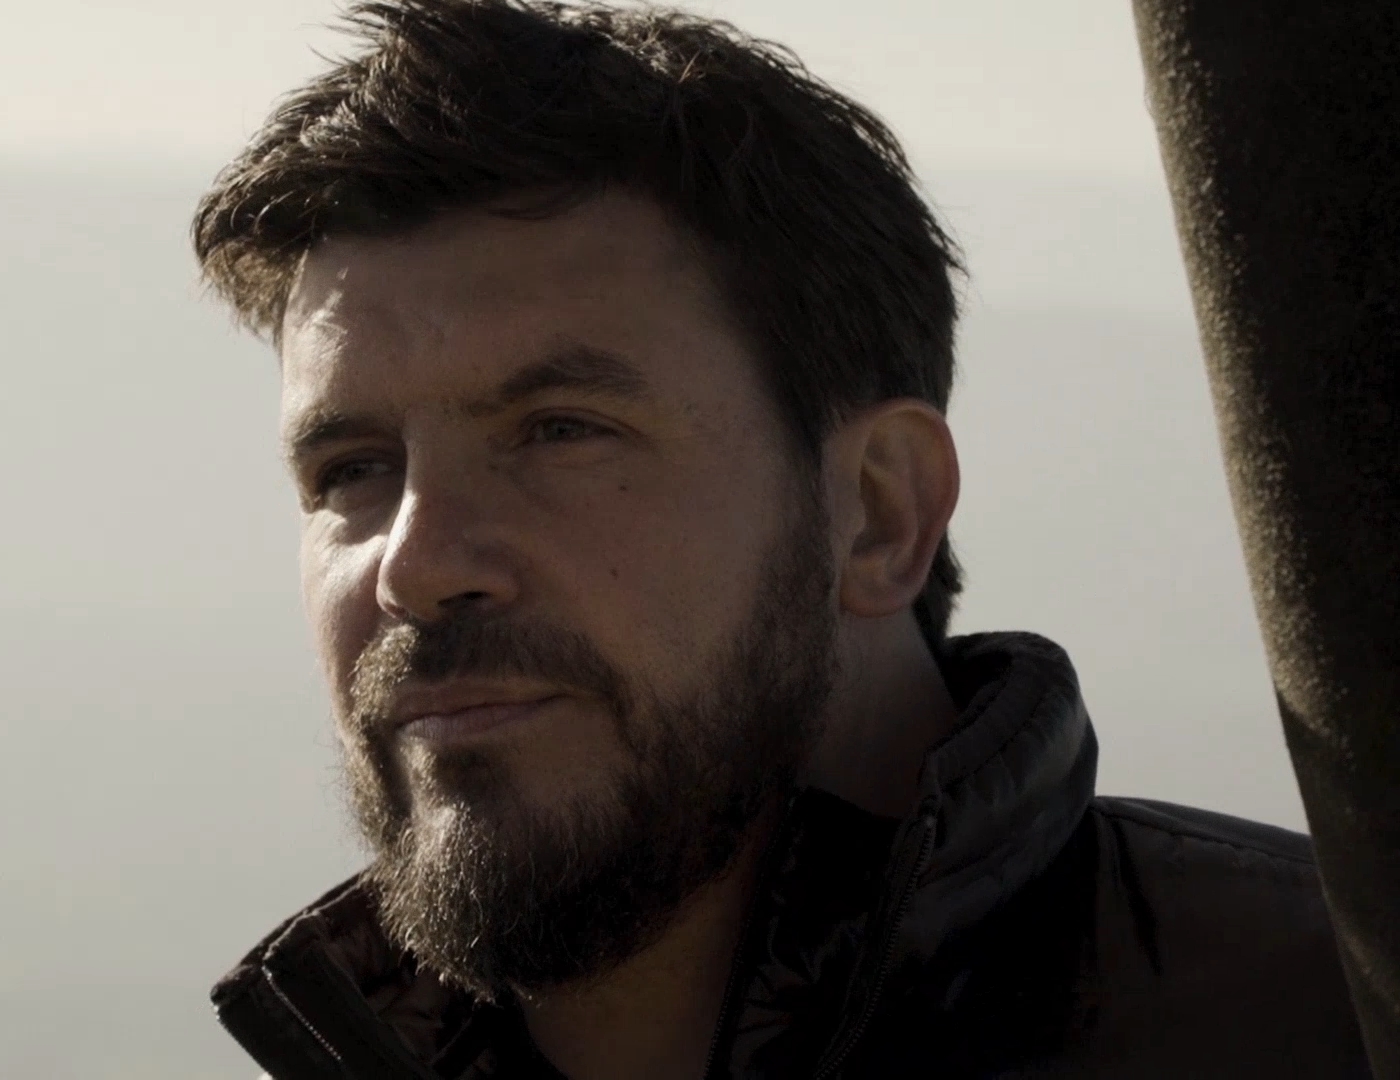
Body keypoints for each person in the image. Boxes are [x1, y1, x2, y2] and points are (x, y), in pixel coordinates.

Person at [188, 1, 1371, 1076]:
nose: (418, 565)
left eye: (559, 430)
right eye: (352, 469)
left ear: (881, 512)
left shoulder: (1334, 1025)